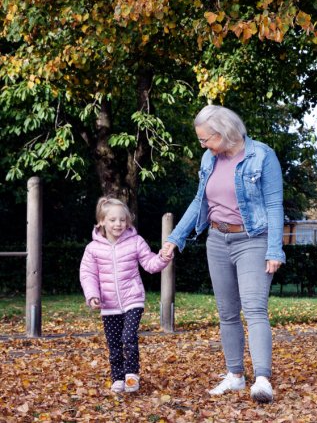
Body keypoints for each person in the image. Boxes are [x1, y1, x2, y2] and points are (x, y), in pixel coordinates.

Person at [160, 105, 285, 403]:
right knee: (227, 313)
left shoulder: (262, 156)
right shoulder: (209, 158)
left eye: (206, 139)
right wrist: (175, 238)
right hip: (217, 239)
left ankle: (263, 380)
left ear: (225, 132)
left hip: (253, 239)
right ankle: (235, 376)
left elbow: (274, 205)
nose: (202, 145)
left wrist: (274, 249)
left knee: (254, 309)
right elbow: (199, 201)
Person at [80, 196, 171, 394]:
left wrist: (163, 258)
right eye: (112, 220)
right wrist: (93, 295)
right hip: (108, 304)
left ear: (128, 221)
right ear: (102, 221)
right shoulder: (93, 249)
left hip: (133, 299)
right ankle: (117, 377)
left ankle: (131, 375)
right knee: (114, 344)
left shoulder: (136, 242)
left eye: (122, 220)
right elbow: (88, 275)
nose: (118, 224)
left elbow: (149, 264)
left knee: (128, 336)